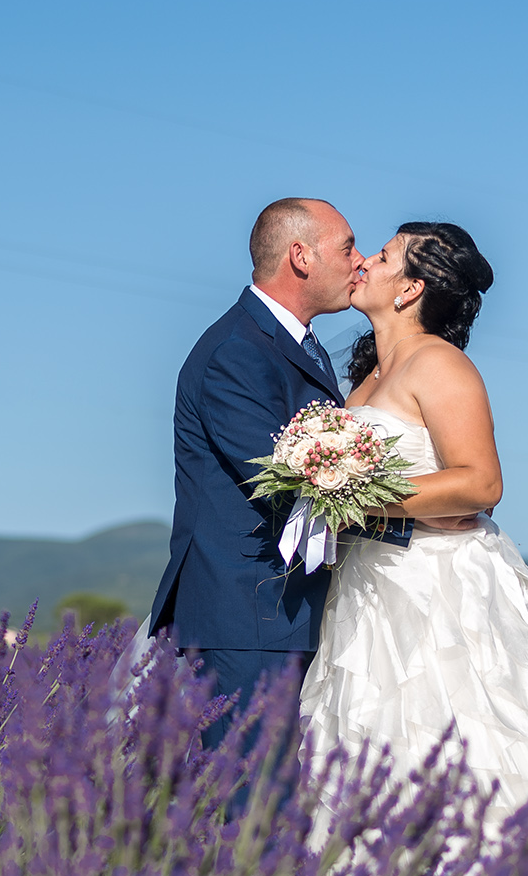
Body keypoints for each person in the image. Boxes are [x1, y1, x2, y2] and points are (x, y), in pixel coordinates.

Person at [299, 221, 528, 833]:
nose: (364, 263)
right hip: (368, 582)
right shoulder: (368, 376)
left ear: (409, 290)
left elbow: (481, 485)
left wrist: (352, 493)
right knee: (371, 733)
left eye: (382, 255)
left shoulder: (440, 364)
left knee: (456, 734)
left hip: (434, 588)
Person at [148, 197, 371, 752]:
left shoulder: (294, 346)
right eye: (347, 247)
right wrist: (418, 523)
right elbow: (289, 480)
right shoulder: (237, 353)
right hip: (249, 616)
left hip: (285, 612)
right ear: (301, 256)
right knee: (253, 809)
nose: (360, 261)